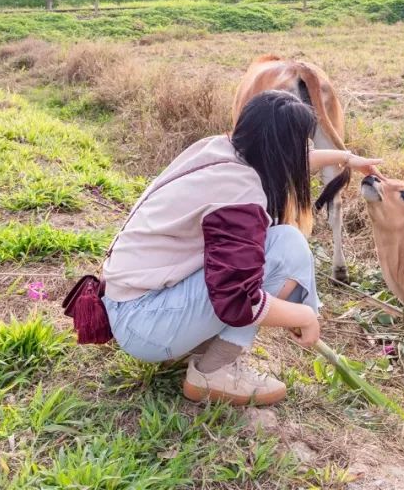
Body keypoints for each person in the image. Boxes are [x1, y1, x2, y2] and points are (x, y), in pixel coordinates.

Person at [101, 89, 380, 406]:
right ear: (281, 149)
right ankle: (214, 371)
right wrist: (302, 315)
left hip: (133, 303)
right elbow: (238, 300)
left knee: (283, 241)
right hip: (145, 322)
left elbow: (288, 159)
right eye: (303, 143)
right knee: (286, 251)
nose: (307, 151)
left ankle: (192, 346)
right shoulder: (240, 193)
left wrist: (346, 159)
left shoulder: (220, 148)